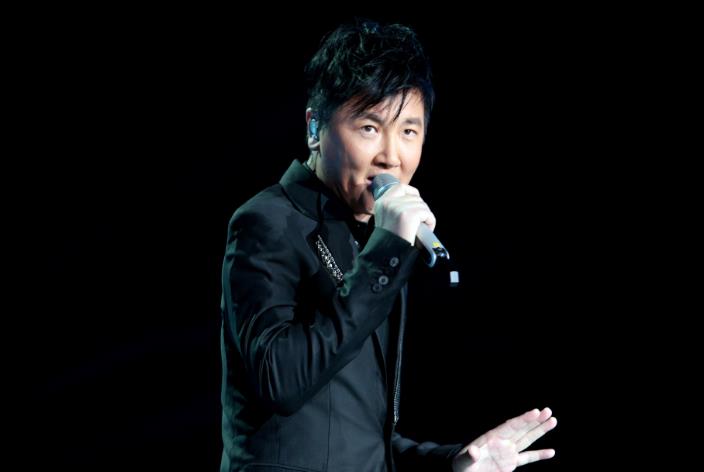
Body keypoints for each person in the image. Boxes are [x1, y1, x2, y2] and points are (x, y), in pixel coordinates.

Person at [219, 19, 557, 472]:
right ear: (315, 127)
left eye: (409, 132)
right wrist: (387, 253)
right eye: (369, 127)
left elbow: (352, 434)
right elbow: (280, 380)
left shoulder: (370, 242)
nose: (391, 157)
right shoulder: (267, 221)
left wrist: (456, 462)